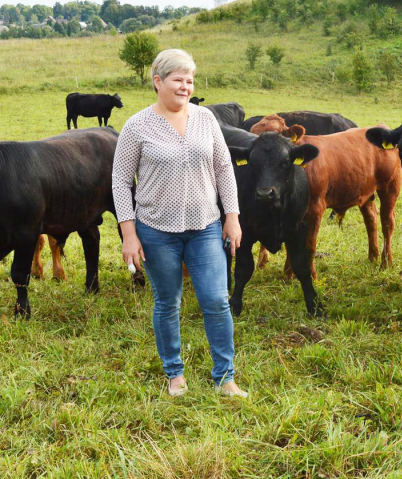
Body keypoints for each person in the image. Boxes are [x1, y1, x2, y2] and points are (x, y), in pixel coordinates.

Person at [111, 49, 247, 398]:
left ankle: (225, 377)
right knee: (167, 302)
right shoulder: (136, 125)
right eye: (178, 80)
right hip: (155, 231)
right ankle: (175, 374)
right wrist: (129, 234)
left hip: (205, 226)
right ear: (158, 82)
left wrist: (231, 218)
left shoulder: (206, 119)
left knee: (216, 300)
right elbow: (120, 181)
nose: (185, 86)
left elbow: (223, 170)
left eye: (190, 80)